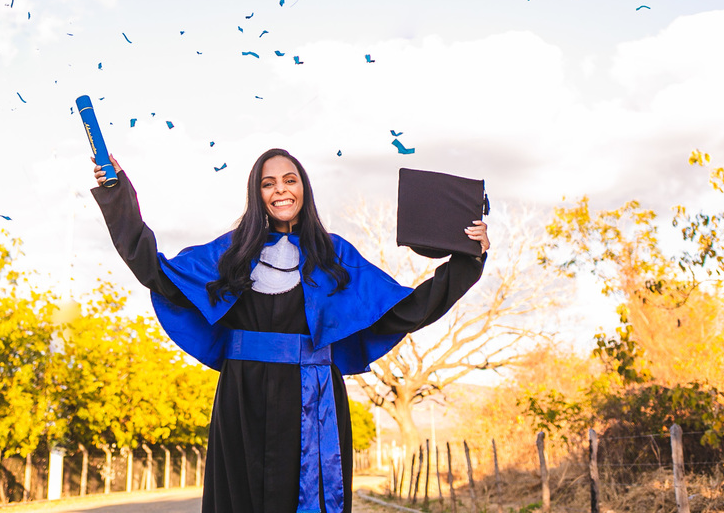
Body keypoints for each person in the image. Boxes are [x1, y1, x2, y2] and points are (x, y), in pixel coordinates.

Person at [90, 147, 489, 513]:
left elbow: (403, 311)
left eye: (289, 180)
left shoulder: (335, 255)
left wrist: (468, 261)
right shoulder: (230, 253)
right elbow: (157, 273)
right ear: (257, 193)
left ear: (303, 189)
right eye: (269, 183)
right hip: (241, 399)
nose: (280, 190)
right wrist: (117, 192)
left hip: (315, 401)